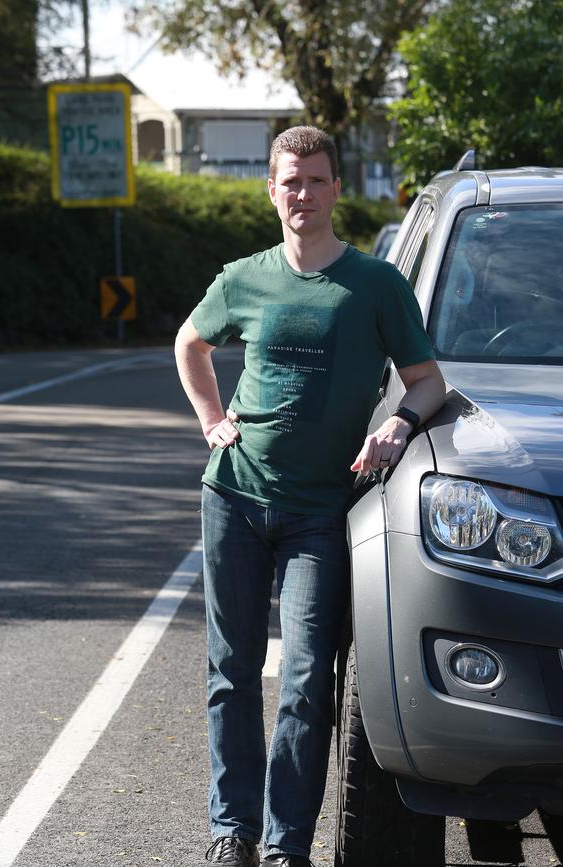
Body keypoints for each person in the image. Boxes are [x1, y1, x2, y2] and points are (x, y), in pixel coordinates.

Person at [174, 126, 445, 867]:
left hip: (321, 513)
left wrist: (398, 422)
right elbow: (190, 344)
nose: (303, 194)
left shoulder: (375, 284)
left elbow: (428, 379)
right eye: (290, 182)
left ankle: (287, 841)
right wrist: (210, 419)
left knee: (304, 679)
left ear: (335, 189)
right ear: (272, 190)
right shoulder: (243, 277)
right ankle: (233, 830)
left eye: (317, 181)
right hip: (233, 496)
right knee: (230, 671)